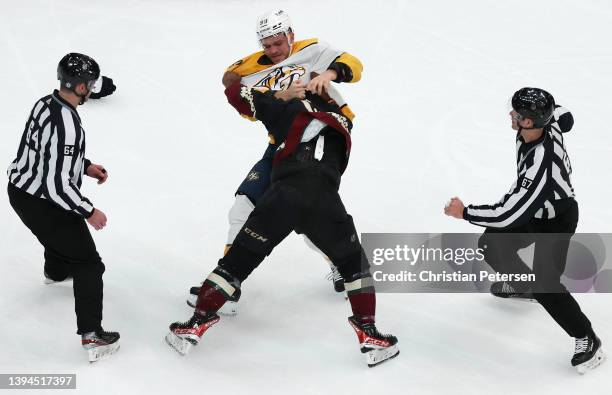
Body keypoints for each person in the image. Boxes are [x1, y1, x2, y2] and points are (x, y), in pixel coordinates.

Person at [166, 81, 399, 368]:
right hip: (324, 200)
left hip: (282, 196)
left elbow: (235, 91)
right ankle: (370, 336)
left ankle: (194, 324)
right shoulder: (344, 125)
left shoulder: (289, 109)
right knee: (354, 267)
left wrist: (282, 95)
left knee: (235, 264)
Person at [186, 9, 363, 310]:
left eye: (279, 43)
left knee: (310, 209)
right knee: (243, 206)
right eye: (266, 45)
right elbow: (234, 86)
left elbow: (355, 66)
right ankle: (228, 283)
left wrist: (327, 74)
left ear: (291, 35)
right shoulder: (254, 69)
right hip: (281, 147)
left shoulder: (311, 50)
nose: (273, 51)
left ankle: (344, 266)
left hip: (321, 139)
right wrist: (281, 96)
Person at [444, 87, 605, 374]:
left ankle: (587, 338)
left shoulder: (540, 164)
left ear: (529, 122)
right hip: (536, 210)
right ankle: (522, 285)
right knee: (491, 246)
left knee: (547, 284)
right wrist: (562, 116)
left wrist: (465, 212)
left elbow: (510, 213)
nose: (510, 115)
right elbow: (562, 112)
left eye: (516, 114)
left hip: (556, 220)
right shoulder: (548, 122)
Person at [7, 53, 120, 363]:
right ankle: (93, 336)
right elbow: (56, 188)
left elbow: (46, 153)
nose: (94, 89)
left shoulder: (46, 102)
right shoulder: (68, 123)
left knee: (58, 232)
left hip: (20, 190)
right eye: (91, 85)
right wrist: (89, 211)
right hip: (42, 200)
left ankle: (55, 271)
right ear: (81, 86)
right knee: (89, 265)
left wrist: (84, 166)